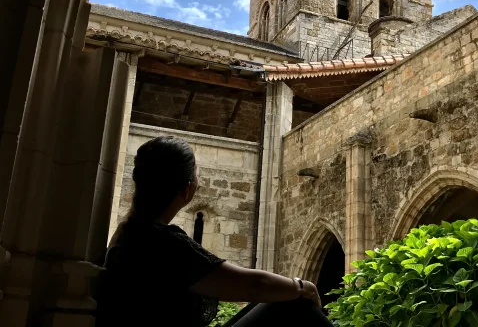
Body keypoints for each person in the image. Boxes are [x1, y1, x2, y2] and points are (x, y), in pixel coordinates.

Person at [96, 136, 334, 327]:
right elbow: (251, 283)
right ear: (188, 190)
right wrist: (302, 286)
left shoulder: (130, 232)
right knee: (296, 303)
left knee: (281, 298)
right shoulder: (161, 241)